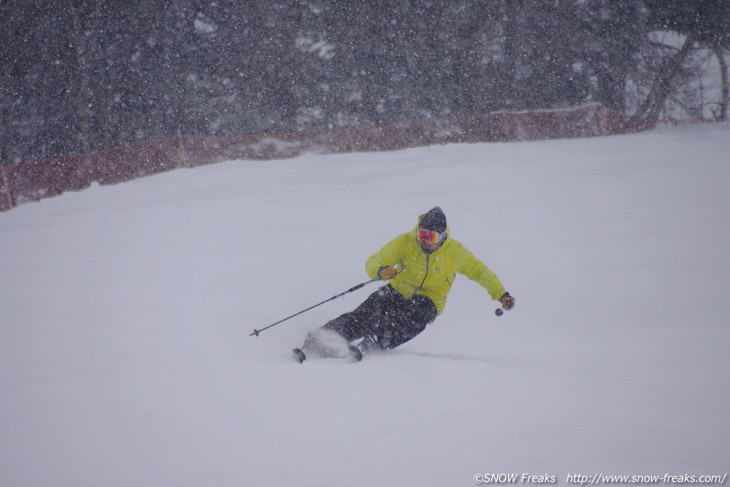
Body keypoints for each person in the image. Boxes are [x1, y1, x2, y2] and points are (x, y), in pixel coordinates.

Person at [296, 207, 515, 361]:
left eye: (429, 237)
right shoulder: (405, 243)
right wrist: (381, 270)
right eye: (421, 234)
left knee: (409, 319)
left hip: (428, 301)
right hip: (397, 291)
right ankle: (322, 339)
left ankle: (374, 342)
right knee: (365, 314)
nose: (423, 241)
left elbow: (481, 273)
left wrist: (501, 294)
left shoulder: (456, 253)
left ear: (442, 237)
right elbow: (375, 260)